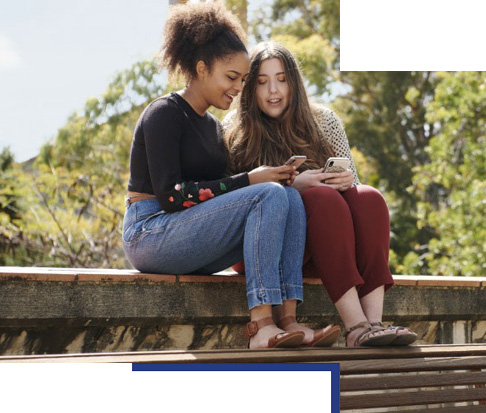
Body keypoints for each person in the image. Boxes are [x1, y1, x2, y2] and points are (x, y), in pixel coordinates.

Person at [122, 2, 339, 350]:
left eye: (242, 79)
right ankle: (261, 326)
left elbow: (226, 197)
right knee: (268, 192)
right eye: (231, 77)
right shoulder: (164, 113)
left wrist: (281, 179)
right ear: (202, 68)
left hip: (190, 234)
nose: (239, 88)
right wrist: (252, 180)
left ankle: (289, 319)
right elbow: (172, 197)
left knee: (287, 196)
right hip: (150, 233)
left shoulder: (213, 128)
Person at [224, 42, 417, 347]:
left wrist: (345, 180)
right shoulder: (235, 128)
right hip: (264, 251)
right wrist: (294, 186)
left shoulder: (324, 121)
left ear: (295, 83)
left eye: (282, 79)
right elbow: (232, 200)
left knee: (368, 197)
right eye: (262, 82)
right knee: (321, 199)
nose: (273, 90)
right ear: (249, 87)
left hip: (326, 246)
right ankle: (356, 328)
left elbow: (355, 190)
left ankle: (375, 323)